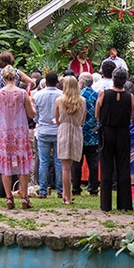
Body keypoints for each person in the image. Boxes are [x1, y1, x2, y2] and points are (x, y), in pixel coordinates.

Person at [0, 66, 36, 209]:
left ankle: (9, 198)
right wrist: (33, 106)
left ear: (3, 78)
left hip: (4, 133)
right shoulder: (23, 93)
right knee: (22, 165)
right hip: (20, 132)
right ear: (16, 78)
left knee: (6, 165)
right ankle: (24, 197)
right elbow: (31, 114)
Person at [97, 68, 134, 212]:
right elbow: (131, 114)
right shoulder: (129, 96)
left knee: (107, 167)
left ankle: (106, 204)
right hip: (123, 132)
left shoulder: (104, 94)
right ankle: (124, 203)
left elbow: (97, 113)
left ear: (113, 78)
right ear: (125, 80)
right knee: (123, 167)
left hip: (107, 132)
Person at [54, 75, 86, 205]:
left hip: (63, 130)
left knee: (65, 167)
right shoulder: (82, 101)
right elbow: (83, 120)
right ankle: (69, 195)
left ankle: (66, 195)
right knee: (71, 165)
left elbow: (57, 120)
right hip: (77, 131)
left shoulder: (59, 100)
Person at [33, 70, 63, 198]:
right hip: (58, 130)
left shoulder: (38, 95)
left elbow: (36, 115)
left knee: (43, 161)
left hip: (43, 130)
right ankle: (61, 190)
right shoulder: (61, 95)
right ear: (57, 82)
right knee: (59, 161)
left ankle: (43, 189)